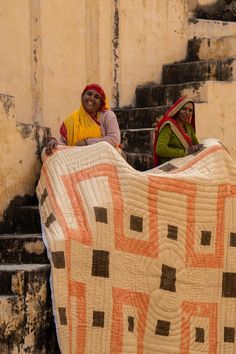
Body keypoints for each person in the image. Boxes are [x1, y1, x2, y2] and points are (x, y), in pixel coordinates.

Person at [45, 83, 121, 155]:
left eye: (96, 97)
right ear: (82, 96)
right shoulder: (72, 119)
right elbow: (64, 143)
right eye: (89, 94)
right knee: (48, 153)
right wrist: (54, 142)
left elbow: (114, 139)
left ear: (101, 103)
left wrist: (86, 142)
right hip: (78, 156)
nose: (92, 98)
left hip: (100, 155)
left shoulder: (107, 115)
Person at [153, 96, 203, 166]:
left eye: (190, 110)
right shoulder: (169, 126)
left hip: (185, 165)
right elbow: (160, 149)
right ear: (178, 109)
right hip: (169, 166)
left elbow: (196, 145)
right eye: (184, 109)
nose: (187, 112)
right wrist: (184, 152)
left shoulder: (189, 128)